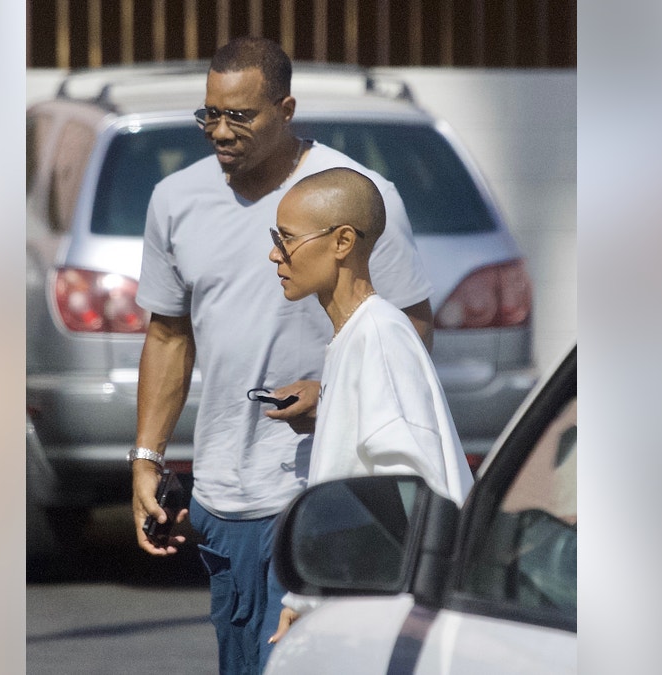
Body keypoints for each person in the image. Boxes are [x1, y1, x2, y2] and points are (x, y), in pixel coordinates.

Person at [130, 37, 434, 675]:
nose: (219, 130)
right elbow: (167, 335)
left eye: (240, 115)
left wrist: (330, 396)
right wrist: (147, 458)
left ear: (286, 108)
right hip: (221, 500)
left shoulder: (353, 196)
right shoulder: (174, 200)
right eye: (209, 113)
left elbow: (409, 328)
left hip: (315, 495)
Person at [265, 167, 475, 644]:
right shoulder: (355, 335)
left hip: (388, 621)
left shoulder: (378, 334)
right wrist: (305, 602)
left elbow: (412, 488)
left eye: (287, 239)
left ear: (342, 242)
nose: (274, 254)